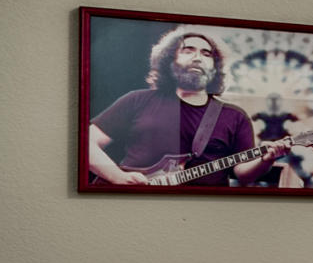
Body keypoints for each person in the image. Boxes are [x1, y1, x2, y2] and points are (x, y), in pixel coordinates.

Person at [84, 25, 278, 187]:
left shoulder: (235, 116)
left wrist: (266, 159)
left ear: (214, 67)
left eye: (206, 53)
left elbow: (243, 175)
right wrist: (118, 178)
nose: (198, 58)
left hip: (203, 214)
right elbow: (86, 143)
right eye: (188, 50)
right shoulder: (137, 100)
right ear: (170, 60)